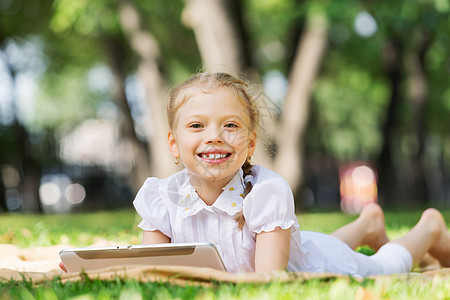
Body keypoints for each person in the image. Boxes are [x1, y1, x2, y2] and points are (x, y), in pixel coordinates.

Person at [60, 72, 450, 275]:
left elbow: (270, 280)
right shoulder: (163, 197)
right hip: (294, 244)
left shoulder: (267, 193)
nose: (214, 136)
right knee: (308, 242)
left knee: (380, 267)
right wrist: (97, 267)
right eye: (196, 126)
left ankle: (427, 229)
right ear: (173, 144)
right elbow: (151, 266)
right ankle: (368, 223)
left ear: (250, 143)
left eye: (230, 125)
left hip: (316, 262)